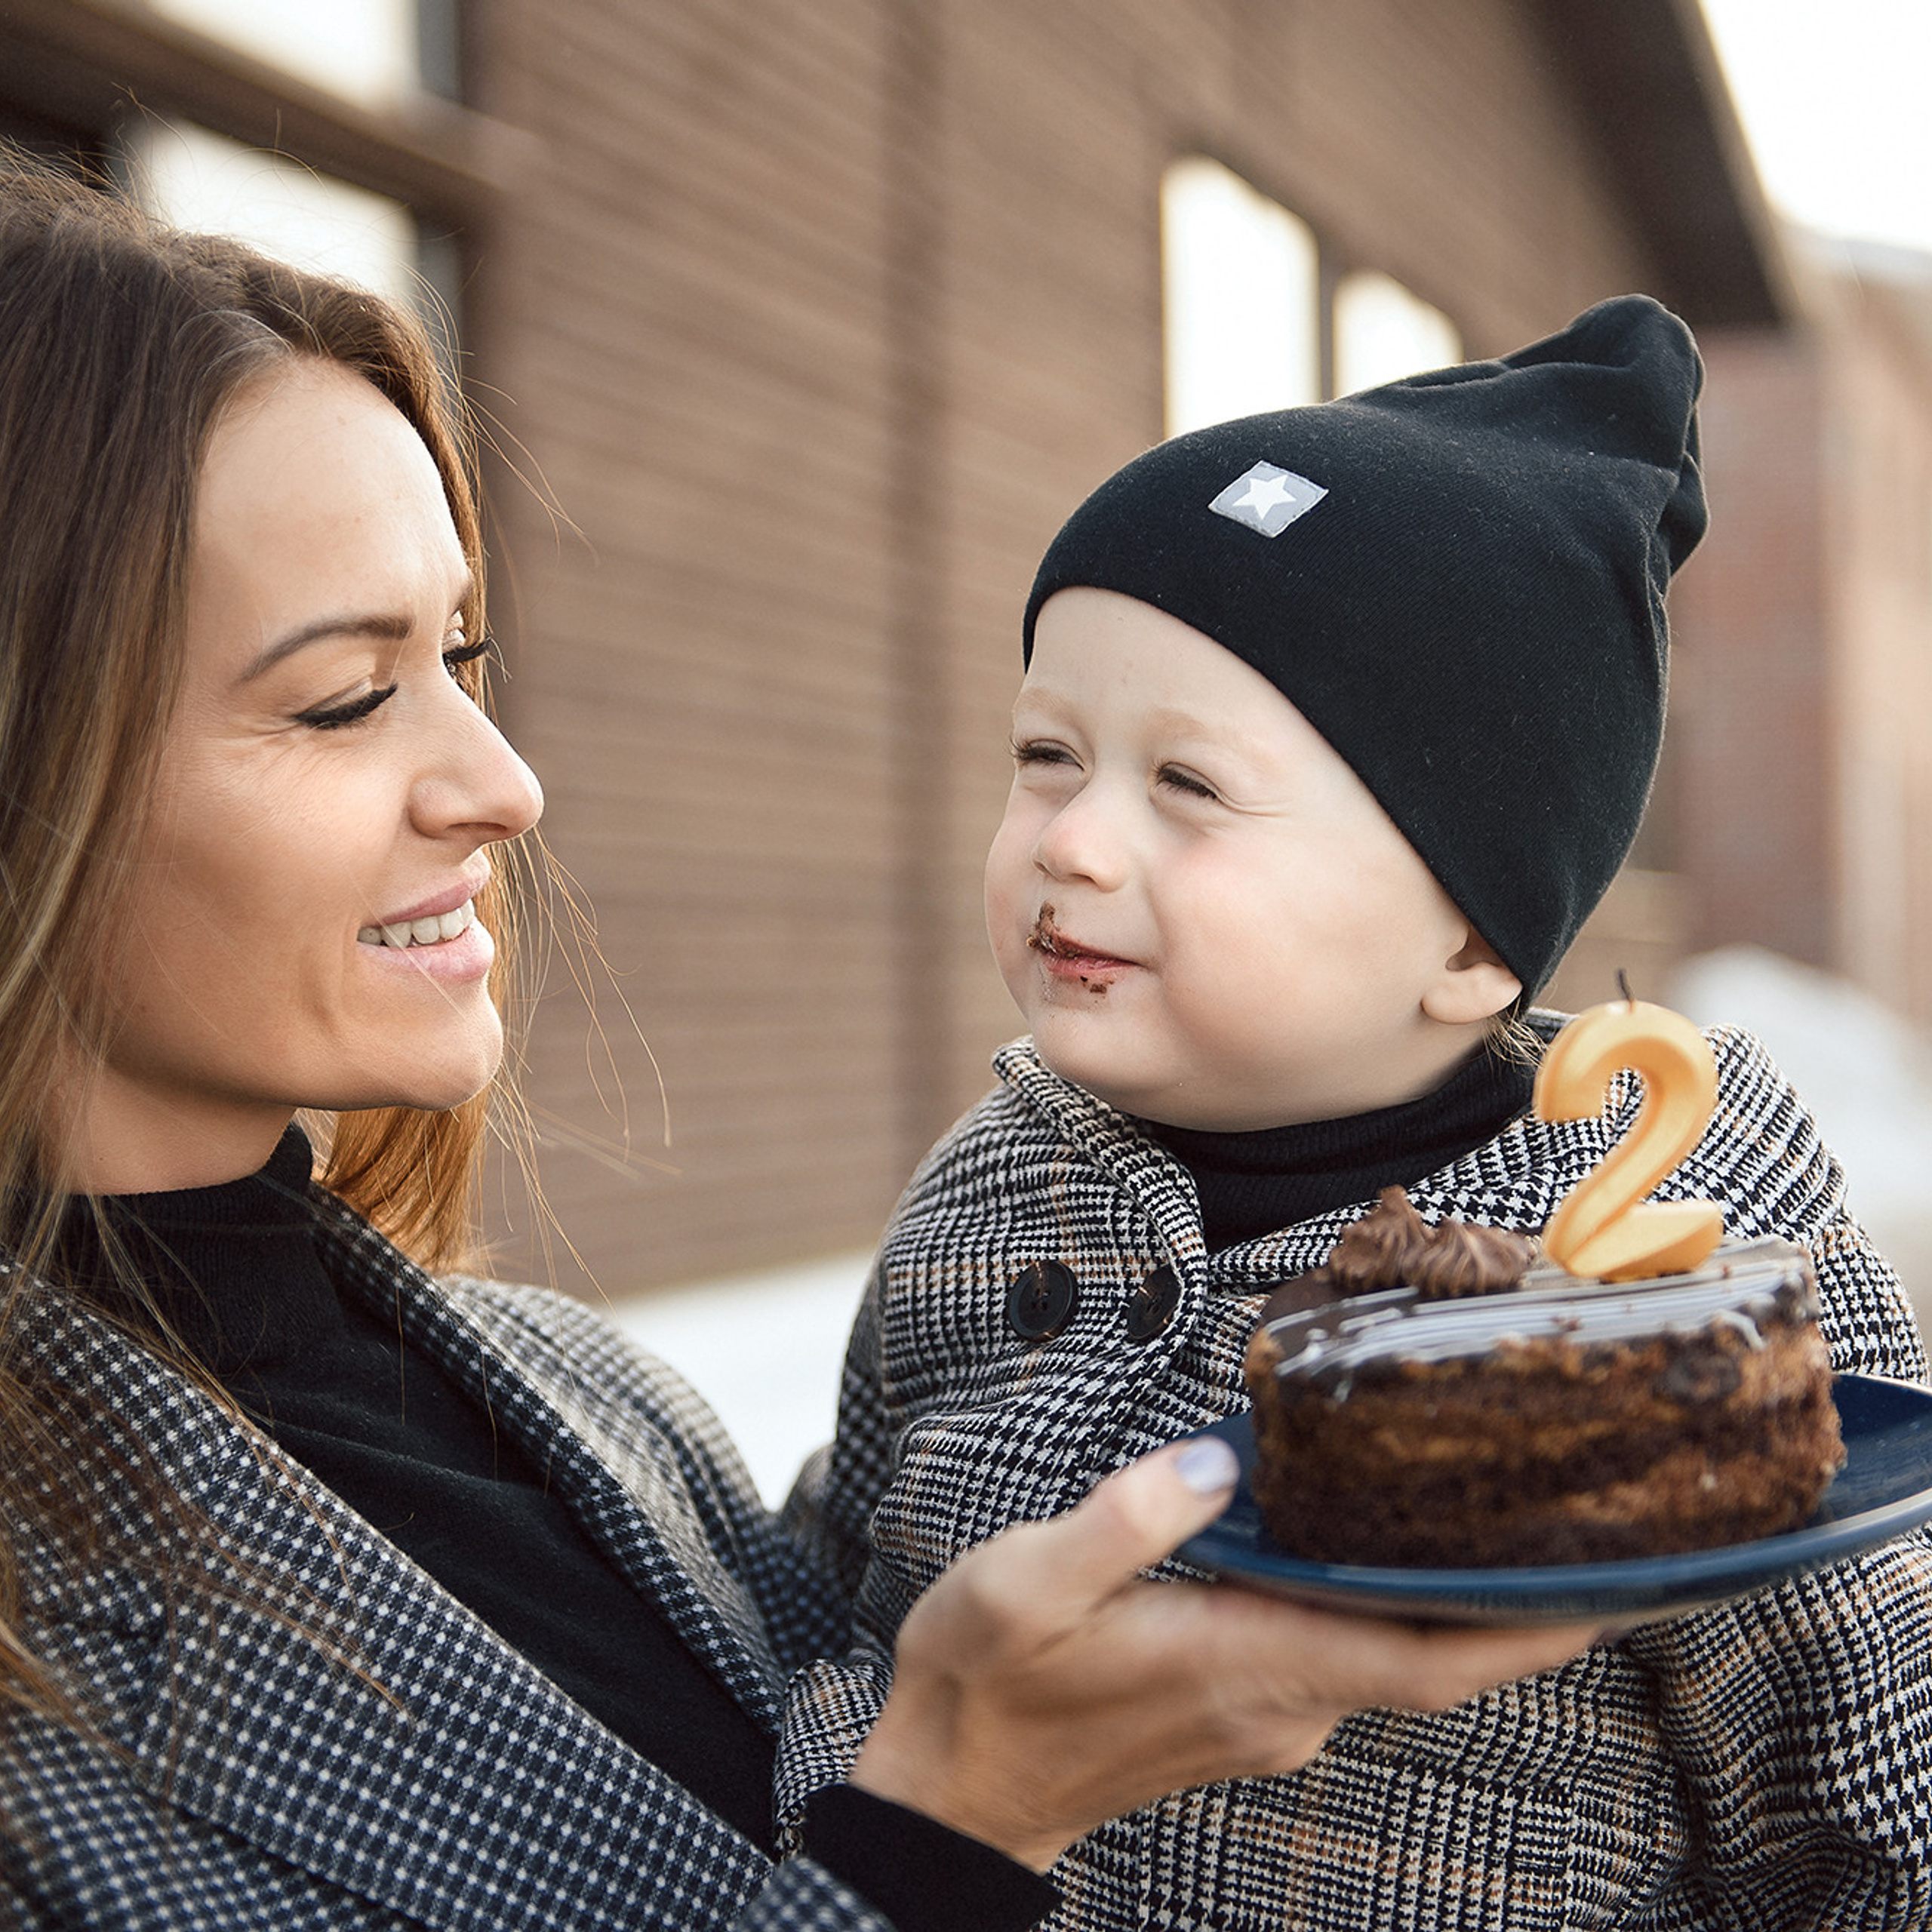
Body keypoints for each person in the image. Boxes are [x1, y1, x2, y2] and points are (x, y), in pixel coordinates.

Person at [0, 156, 1601, 1930]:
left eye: (463, 652)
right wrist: (946, 1831)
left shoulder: (588, 1400)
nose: (503, 782)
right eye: (343, 696)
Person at [777, 297, 1932, 1927]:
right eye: (1046, 754)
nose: (1071, 841)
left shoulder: (1678, 1282)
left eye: (1187, 785)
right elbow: (841, 1579)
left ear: (1467, 941)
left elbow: (1877, 1798)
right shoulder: (991, 1193)